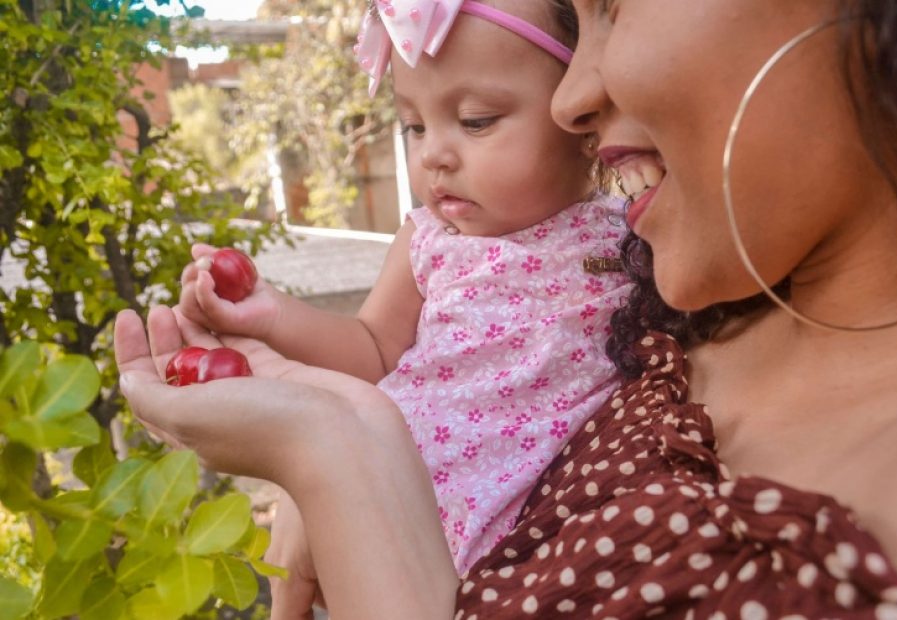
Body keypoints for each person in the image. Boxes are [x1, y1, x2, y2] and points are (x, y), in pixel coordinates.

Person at [113, 0, 897, 616]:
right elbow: (378, 349)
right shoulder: (686, 310)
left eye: (612, 5)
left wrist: (335, 465)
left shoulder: (624, 253)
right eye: (416, 128)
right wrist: (318, 395)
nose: (573, 99)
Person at [175, 0, 630, 574]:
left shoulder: (628, 237)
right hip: (401, 501)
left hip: (546, 530)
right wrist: (271, 315)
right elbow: (372, 348)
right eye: (413, 126)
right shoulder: (429, 240)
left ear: (583, 117)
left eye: (476, 120)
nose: (434, 155)